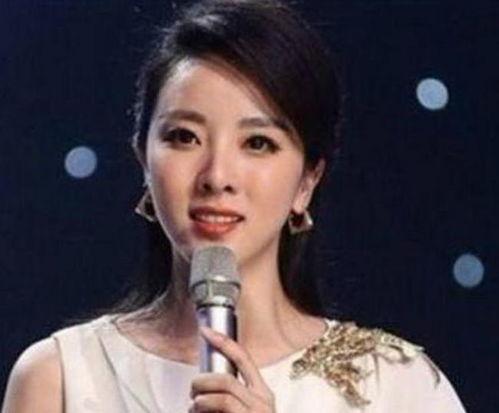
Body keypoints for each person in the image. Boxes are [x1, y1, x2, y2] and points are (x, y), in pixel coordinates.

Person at [2, 0, 467, 412]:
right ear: (143, 159)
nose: (217, 176)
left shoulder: (397, 386)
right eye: (184, 137)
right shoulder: (60, 379)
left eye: (258, 143)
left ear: (307, 180)